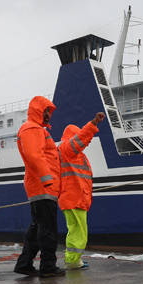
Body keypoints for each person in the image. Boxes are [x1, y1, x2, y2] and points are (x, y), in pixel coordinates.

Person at [13, 96, 64, 278]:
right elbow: (34, 156)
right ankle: (48, 267)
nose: (50, 115)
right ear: (39, 111)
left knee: (38, 228)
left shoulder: (36, 130)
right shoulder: (32, 129)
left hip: (42, 186)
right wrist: (47, 180)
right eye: (47, 111)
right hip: (43, 187)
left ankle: (24, 264)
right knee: (47, 229)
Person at [57, 112, 105, 269]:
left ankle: (74, 260)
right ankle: (72, 261)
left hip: (75, 198)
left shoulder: (73, 154)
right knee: (79, 233)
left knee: (76, 231)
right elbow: (80, 139)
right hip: (74, 198)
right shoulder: (67, 149)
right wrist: (93, 124)